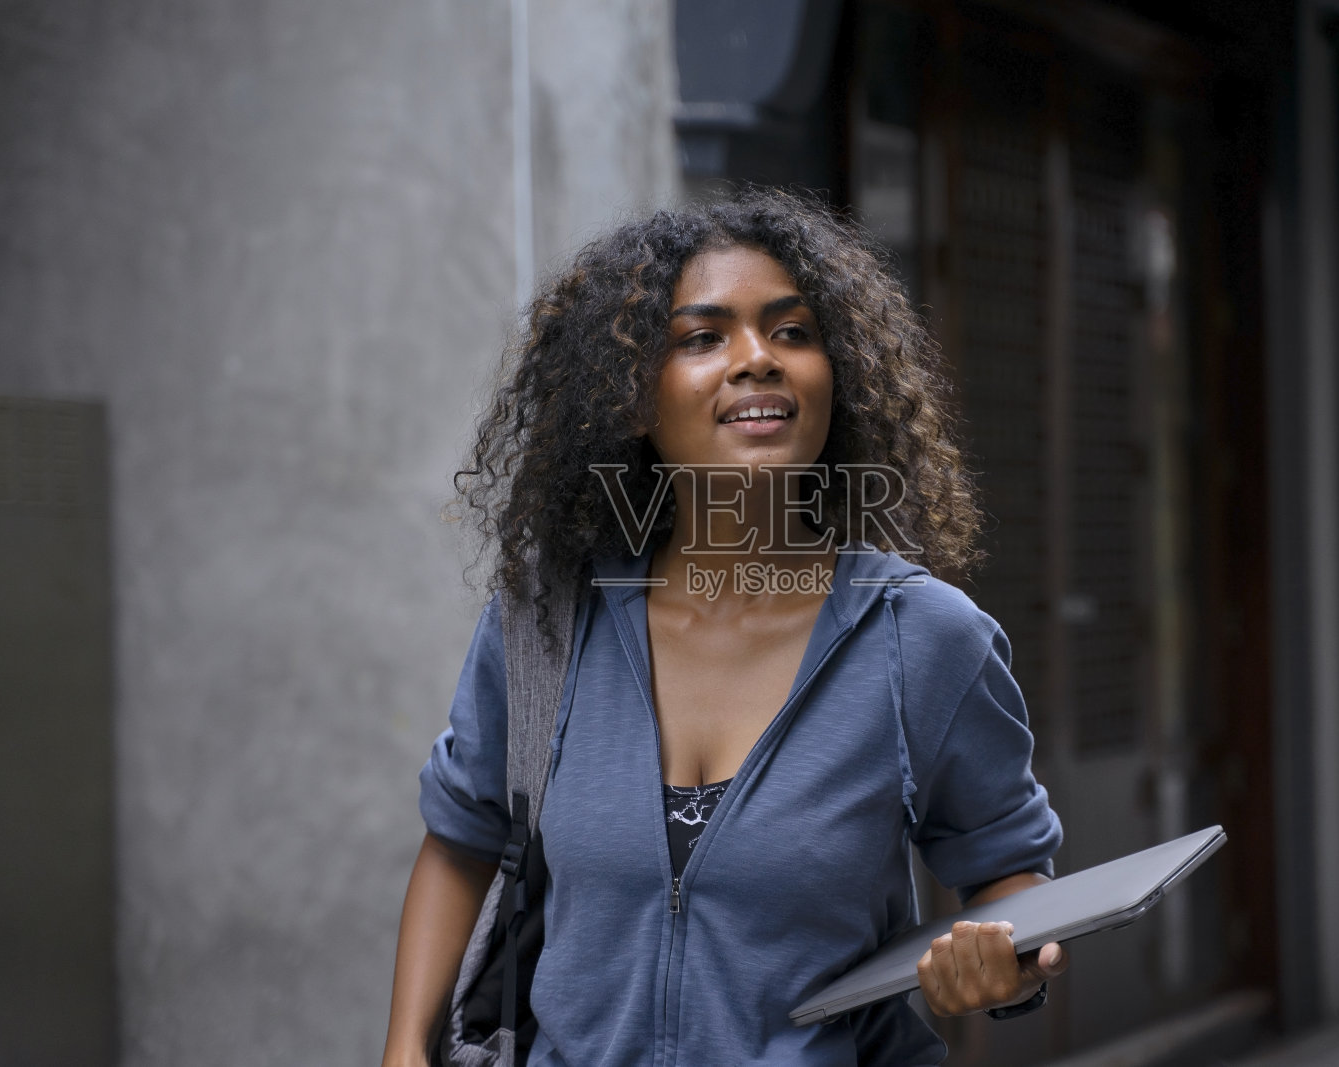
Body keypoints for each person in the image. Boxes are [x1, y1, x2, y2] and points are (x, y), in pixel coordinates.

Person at [382, 188, 1066, 1067]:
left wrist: (999, 962)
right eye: (703, 338)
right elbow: (461, 841)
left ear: (837, 373)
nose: (758, 360)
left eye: (792, 332)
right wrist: (404, 1051)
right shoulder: (546, 620)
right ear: (632, 398)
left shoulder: (924, 639)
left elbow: (1013, 872)